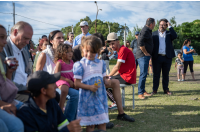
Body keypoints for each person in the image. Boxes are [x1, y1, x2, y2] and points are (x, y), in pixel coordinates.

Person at [17, 71, 82, 132]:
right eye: (53, 84)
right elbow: (65, 129)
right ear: (43, 91)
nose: (55, 87)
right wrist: (67, 130)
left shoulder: (52, 103)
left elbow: (63, 125)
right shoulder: (25, 113)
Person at [36, 30, 79, 122]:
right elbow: (37, 74)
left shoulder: (64, 53)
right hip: (50, 84)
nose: (62, 40)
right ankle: (64, 120)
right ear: (51, 41)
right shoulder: (44, 54)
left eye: (63, 38)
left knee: (78, 93)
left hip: (63, 83)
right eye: (58, 38)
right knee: (72, 94)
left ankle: (70, 120)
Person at [73, 35, 109, 132]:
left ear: (98, 51)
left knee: (102, 121)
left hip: (100, 97)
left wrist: (106, 80)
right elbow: (77, 84)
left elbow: (104, 77)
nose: (89, 54)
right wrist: (89, 87)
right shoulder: (80, 65)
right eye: (87, 51)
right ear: (82, 49)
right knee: (91, 124)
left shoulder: (101, 64)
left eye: (93, 52)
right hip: (87, 99)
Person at [105, 32, 136, 122]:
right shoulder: (121, 50)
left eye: (113, 43)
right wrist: (110, 76)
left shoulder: (122, 50)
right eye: (110, 44)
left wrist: (109, 76)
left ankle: (115, 102)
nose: (111, 46)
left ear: (118, 42)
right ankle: (118, 107)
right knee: (106, 81)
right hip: (125, 75)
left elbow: (117, 67)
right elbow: (119, 70)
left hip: (127, 77)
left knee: (103, 83)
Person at [0, 21, 33, 102]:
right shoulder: (3, 48)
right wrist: (26, 88)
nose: (27, 42)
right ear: (15, 32)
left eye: (29, 39)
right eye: (25, 38)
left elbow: (28, 73)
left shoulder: (24, 51)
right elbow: (4, 81)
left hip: (25, 89)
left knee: (52, 97)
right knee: (36, 102)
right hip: (14, 91)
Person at [0, 24, 24, 132]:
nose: (5, 42)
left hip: (6, 97)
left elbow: (4, 87)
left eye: (5, 38)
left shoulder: (0, 61)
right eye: (1, 37)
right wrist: (2, 104)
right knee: (15, 125)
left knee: (28, 110)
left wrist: (9, 72)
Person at [151, 18, 177, 95]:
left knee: (166, 75)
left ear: (166, 25)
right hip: (157, 57)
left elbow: (175, 36)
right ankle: (154, 90)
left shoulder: (169, 34)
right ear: (159, 25)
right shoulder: (153, 34)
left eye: (164, 25)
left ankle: (166, 89)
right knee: (156, 75)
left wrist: (170, 27)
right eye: (161, 24)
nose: (162, 26)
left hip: (167, 57)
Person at [136, 18, 155, 99]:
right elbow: (140, 42)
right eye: (154, 24)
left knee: (144, 74)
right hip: (142, 56)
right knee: (143, 74)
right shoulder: (145, 30)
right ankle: (140, 93)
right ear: (151, 24)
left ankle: (143, 91)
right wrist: (145, 52)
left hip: (145, 56)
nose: (154, 26)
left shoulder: (148, 30)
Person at [54, 44, 74, 112]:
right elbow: (57, 75)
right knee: (65, 89)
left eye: (71, 51)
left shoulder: (71, 62)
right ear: (60, 53)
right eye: (67, 52)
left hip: (71, 79)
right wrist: (68, 80)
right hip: (62, 80)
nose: (70, 53)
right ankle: (61, 107)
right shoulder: (59, 63)